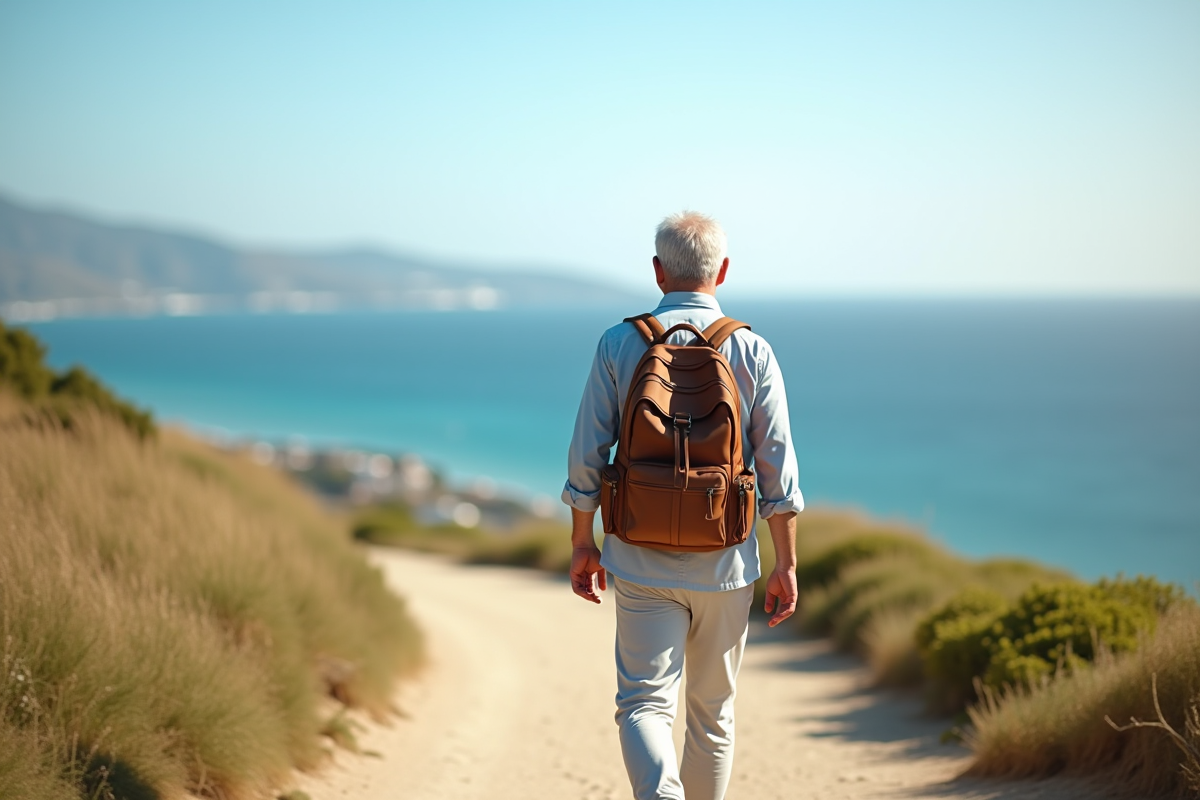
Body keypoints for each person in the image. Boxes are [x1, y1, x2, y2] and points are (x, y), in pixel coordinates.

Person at [562, 211, 803, 800]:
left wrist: (582, 542)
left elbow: (586, 454)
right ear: (722, 270)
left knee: (644, 702)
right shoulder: (750, 348)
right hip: (727, 561)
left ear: (657, 270)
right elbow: (779, 469)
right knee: (712, 716)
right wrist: (786, 563)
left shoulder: (620, 342)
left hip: (639, 556)